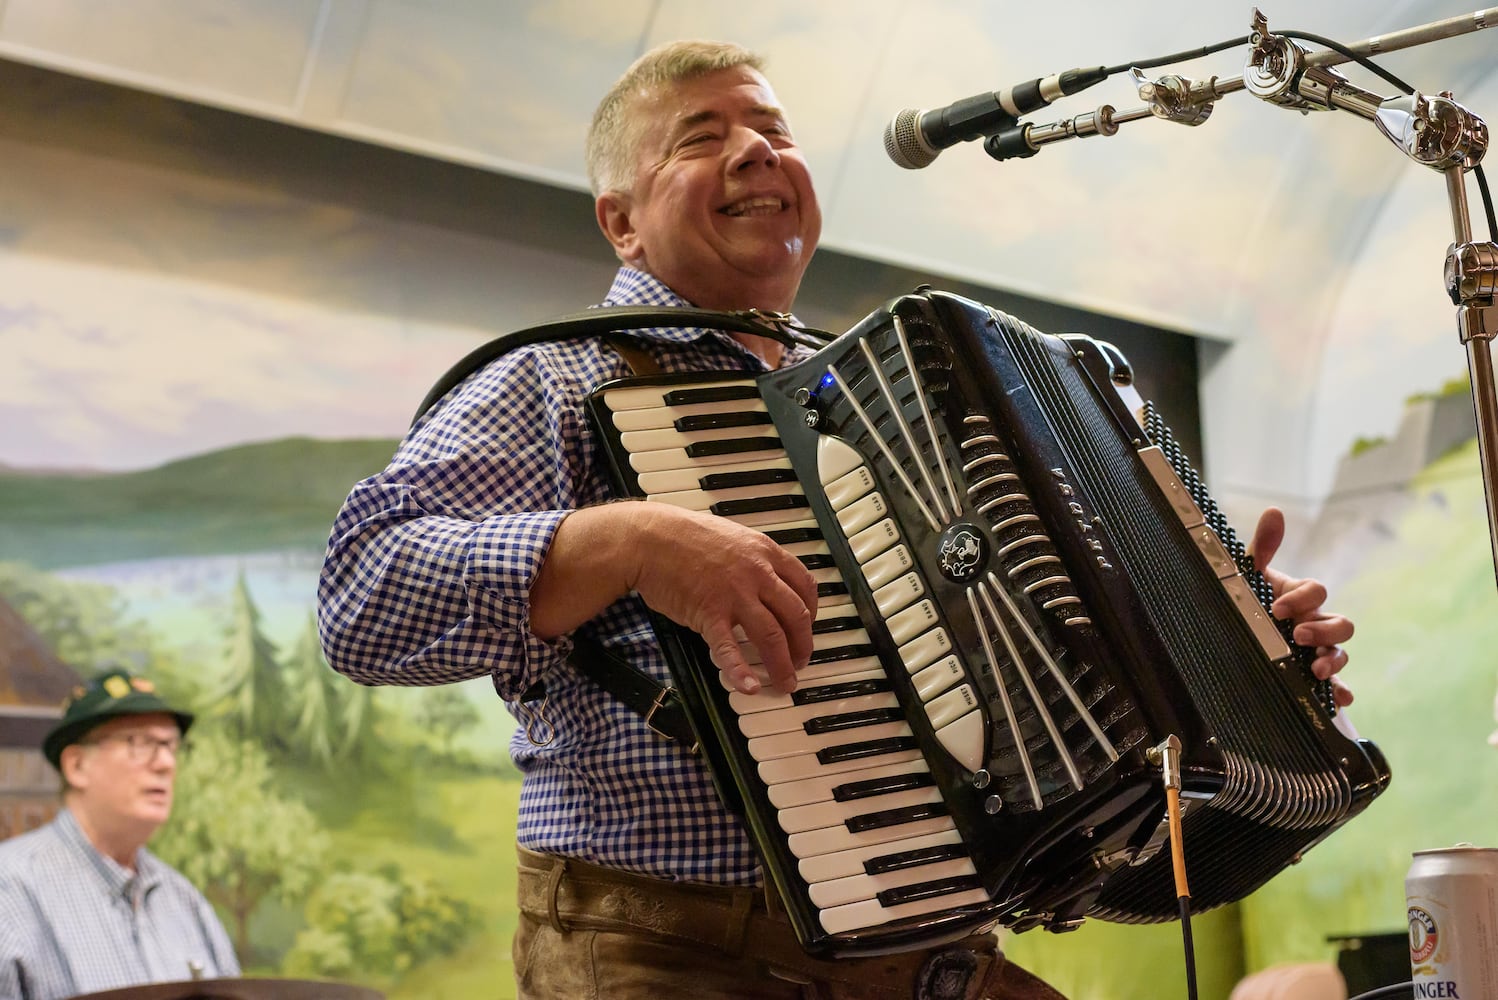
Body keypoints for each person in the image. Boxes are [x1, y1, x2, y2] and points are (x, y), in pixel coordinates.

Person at [317, 40, 1355, 1000]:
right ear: (620, 220)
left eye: (773, 132)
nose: (755, 151)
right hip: (679, 949)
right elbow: (364, 596)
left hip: (935, 956)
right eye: (701, 136)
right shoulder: (552, 374)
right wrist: (630, 540)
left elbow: (1052, 671)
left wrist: (1232, 646)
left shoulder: (890, 398)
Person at [0, 670, 239, 1000]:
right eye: (139, 743)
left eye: (171, 745)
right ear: (77, 766)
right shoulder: (9, 889)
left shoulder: (184, 900)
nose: (166, 763)